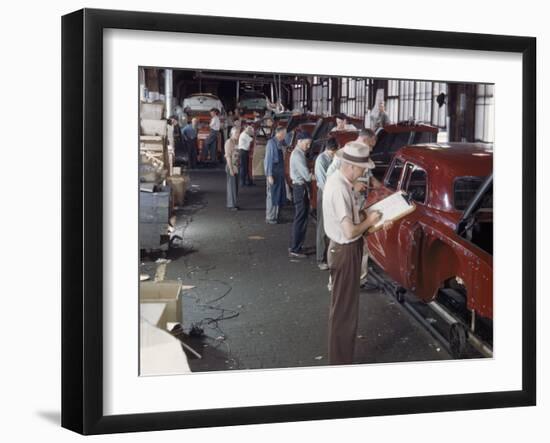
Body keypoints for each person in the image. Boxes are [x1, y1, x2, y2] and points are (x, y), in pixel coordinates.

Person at [323, 141, 392, 365]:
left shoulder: (340, 183)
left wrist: (373, 220)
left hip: (342, 249)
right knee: (344, 313)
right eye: (363, 169)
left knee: (343, 310)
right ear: (351, 166)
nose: (364, 173)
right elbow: (350, 230)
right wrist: (370, 220)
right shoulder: (341, 189)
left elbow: (354, 221)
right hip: (345, 251)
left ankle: (340, 360)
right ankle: (340, 365)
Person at [314, 137, 339, 270]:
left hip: (332, 194)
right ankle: (320, 258)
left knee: (331, 226)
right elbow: (324, 183)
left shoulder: (334, 158)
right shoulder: (321, 160)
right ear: (328, 150)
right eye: (333, 152)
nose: (334, 154)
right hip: (324, 194)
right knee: (322, 227)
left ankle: (330, 257)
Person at [288, 132, 314, 258]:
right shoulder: (298, 155)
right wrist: (317, 176)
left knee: (301, 218)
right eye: (307, 143)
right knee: (300, 218)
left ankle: (296, 245)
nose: (308, 146)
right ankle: (295, 248)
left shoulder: (299, 153)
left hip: (299, 187)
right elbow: (307, 176)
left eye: (309, 143)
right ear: (299, 141)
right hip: (300, 188)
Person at [264, 126, 287, 224]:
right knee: (271, 195)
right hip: (273, 172)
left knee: (278, 195)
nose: (285, 136)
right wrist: (269, 175)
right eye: (284, 134)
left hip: (279, 172)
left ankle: (276, 216)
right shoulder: (271, 143)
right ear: (280, 133)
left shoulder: (280, 143)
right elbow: (268, 160)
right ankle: (270, 217)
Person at [224, 127, 240, 210]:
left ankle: (233, 203)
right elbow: (228, 156)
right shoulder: (229, 142)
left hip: (236, 166)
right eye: (236, 133)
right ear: (232, 133)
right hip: (232, 166)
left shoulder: (235, 142)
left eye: (238, 133)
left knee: (235, 186)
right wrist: (231, 169)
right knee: (231, 187)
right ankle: (231, 205)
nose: (238, 134)